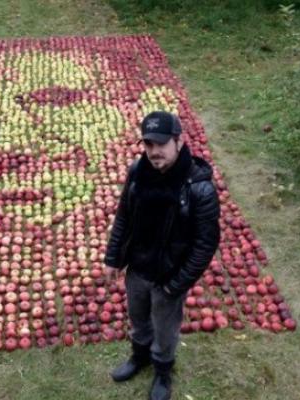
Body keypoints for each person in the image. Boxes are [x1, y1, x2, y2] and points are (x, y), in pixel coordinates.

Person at [104, 111, 220, 400]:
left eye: (161, 144)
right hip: (138, 268)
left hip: (169, 275)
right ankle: (139, 356)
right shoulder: (137, 173)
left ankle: (162, 371)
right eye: (148, 144)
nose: (154, 151)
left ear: (178, 141)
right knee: (138, 318)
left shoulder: (199, 187)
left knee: (165, 329)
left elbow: (205, 245)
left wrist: (176, 284)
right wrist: (113, 258)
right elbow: (123, 218)